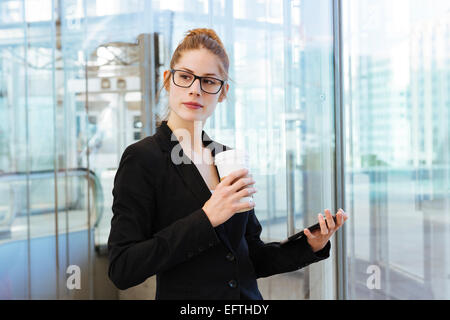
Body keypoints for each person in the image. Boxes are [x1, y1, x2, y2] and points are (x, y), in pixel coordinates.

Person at [107, 28, 348, 300]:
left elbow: (250, 256)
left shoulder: (227, 157)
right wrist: (206, 218)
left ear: (222, 92)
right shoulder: (143, 158)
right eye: (185, 77)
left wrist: (309, 245)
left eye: (209, 81)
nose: (195, 90)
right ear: (168, 80)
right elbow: (123, 267)